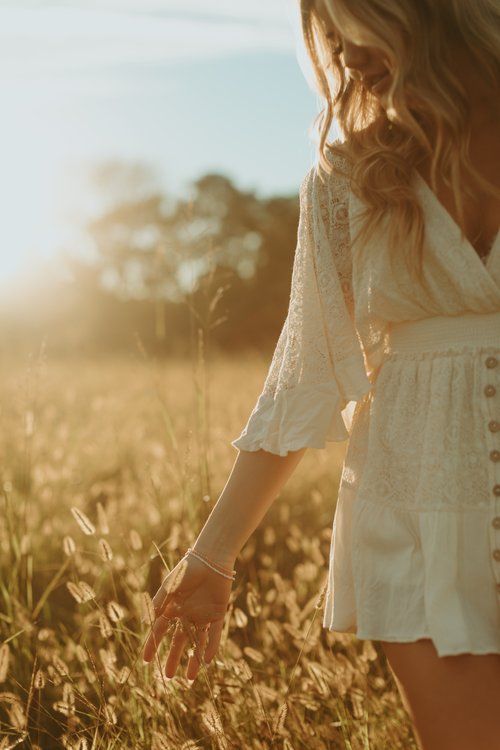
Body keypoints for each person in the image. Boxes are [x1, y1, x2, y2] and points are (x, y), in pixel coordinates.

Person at [142, 1, 500, 747]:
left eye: (353, 19)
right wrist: (212, 555)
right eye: (325, 32)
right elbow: (304, 372)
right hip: (414, 513)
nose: (341, 51)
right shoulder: (350, 175)